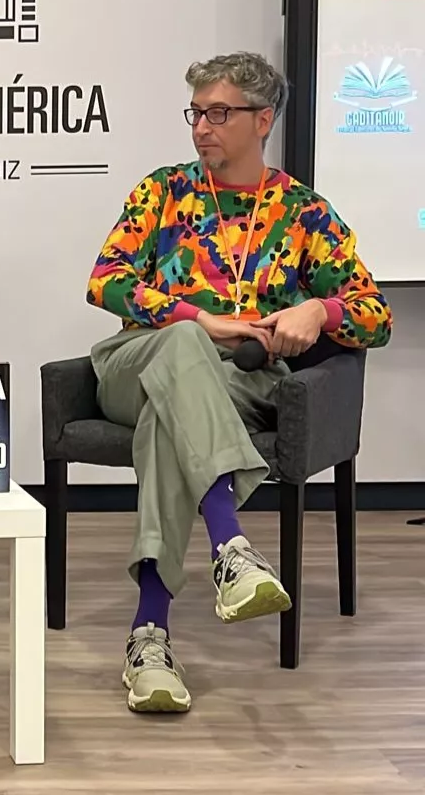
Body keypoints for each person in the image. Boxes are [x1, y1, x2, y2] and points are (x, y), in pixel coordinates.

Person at [85, 51, 392, 714]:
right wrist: (204, 321)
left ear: (263, 120)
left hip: (235, 385)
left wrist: (319, 310)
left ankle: (149, 643)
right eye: (197, 112)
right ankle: (229, 542)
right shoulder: (162, 191)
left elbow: (375, 315)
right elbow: (105, 280)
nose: (202, 128)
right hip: (134, 362)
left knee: (172, 423)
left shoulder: (304, 214)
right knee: (184, 347)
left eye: (219, 113)